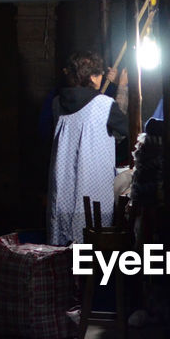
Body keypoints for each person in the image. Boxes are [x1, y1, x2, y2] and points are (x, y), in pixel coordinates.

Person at [46, 50, 129, 245]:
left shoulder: (58, 103)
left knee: (65, 249)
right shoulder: (104, 105)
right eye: (99, 73)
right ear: (92, 76)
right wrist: (123, 87)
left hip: (63, 188)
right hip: (92, 192)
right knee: (91, 245)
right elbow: (125, 129)